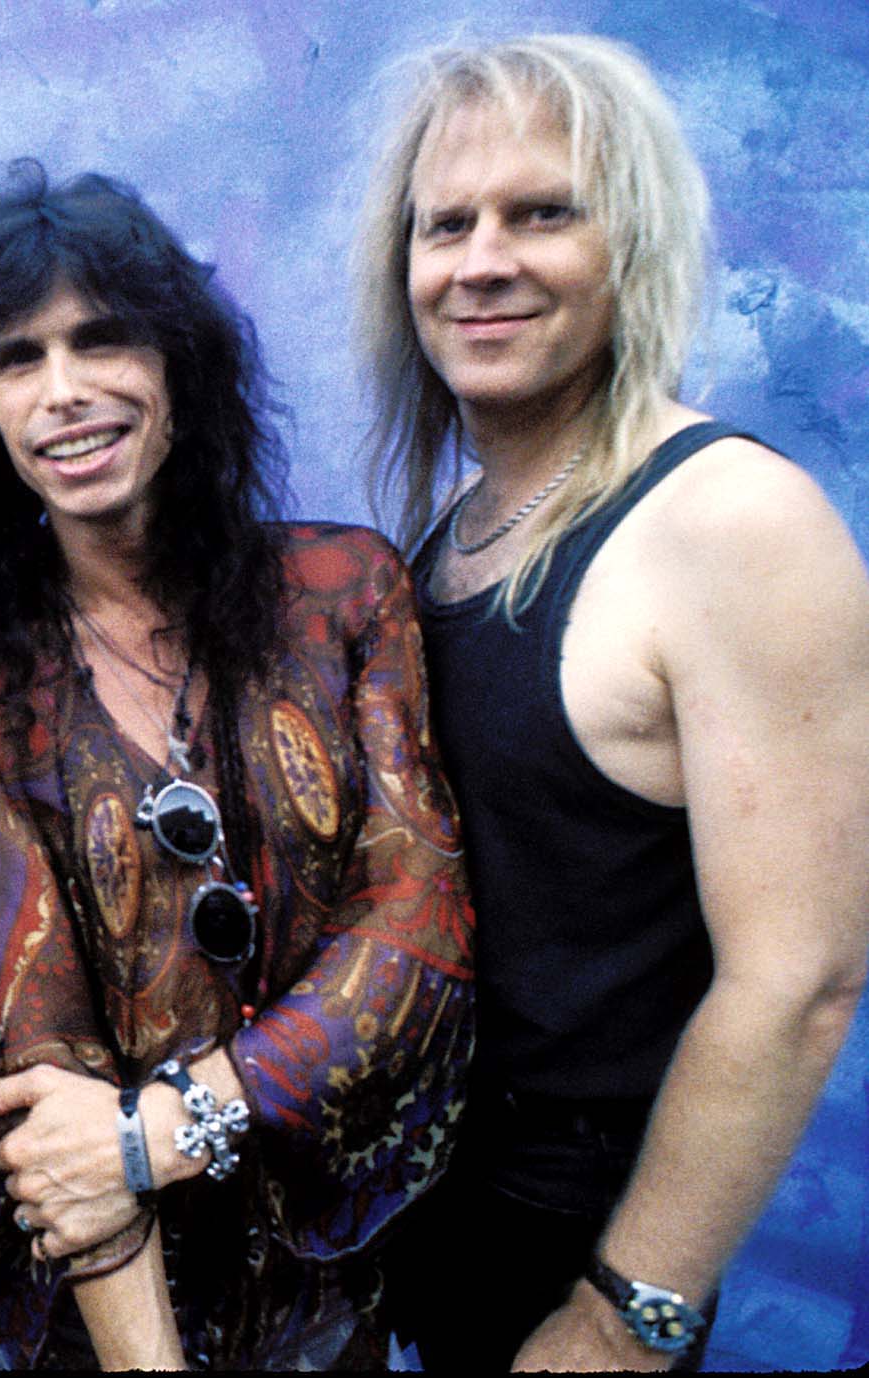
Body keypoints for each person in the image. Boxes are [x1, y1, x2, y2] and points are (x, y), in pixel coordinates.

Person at [0, 163, 476, 1370]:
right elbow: (30, 1057)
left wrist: (167, 1125)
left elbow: (417, 927)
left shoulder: (345, 594)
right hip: (103, 1318)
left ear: (178, 366)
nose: (64, 393)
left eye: (103, 339)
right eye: (16, 357)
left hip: (333, 1291)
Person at [354, 33, 869, 1371]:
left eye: (542, 213)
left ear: (629, 240)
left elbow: (801, 975)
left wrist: (629, 1312)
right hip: (435, 1233)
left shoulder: (733, 521)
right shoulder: (451, 534)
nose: (481, 260)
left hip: (577, 1259)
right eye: (445, 223)